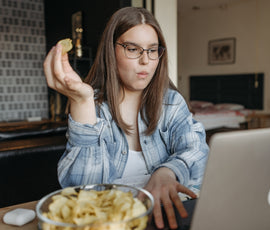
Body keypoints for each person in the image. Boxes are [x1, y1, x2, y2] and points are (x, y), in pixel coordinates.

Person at [43, 7, 208, 229]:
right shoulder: (94, 108)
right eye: (133, 49)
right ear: (111, 51)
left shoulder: (171, 103)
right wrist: (82, 102)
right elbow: (82, 189)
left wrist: (167, 172)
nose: (145, 61)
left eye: (152, 50)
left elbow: (198, 153)